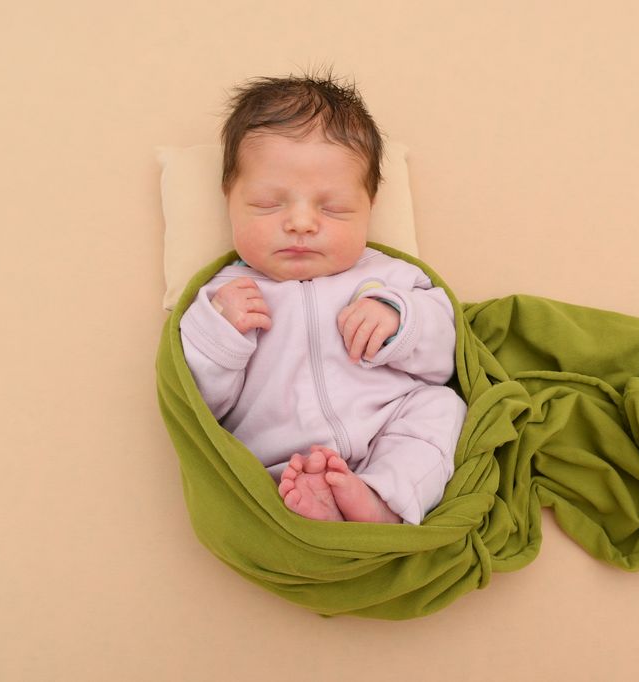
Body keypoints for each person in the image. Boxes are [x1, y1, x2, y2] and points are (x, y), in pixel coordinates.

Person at [179, 74, 466, 525]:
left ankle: (382, 499)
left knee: (442, 408)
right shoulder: (222, 296)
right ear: (229, 198)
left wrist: (398, 320)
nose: (300, 223)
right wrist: (222, 334)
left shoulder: (391, 277)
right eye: (268, 204)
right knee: (242, 463)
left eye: (333, 208)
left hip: (387, 426)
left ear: (370, 205)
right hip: (281, 456)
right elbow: (200, 405)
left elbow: (445, 363)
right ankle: (317, 500)